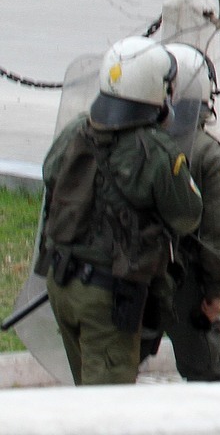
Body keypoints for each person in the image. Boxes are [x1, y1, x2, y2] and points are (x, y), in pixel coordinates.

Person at [34, 36, 204, 385]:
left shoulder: (76, 132)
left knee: (86, 391)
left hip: (61, 281)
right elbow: (187, 215)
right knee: (108, 408)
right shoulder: (155, 151)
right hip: (105, 297)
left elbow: (49, 177)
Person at [157, 44, 220, 382]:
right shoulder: (209, 155)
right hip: (183, 280)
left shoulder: (132, 145)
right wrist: (215, 291)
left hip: (127, 273)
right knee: (208, 375)